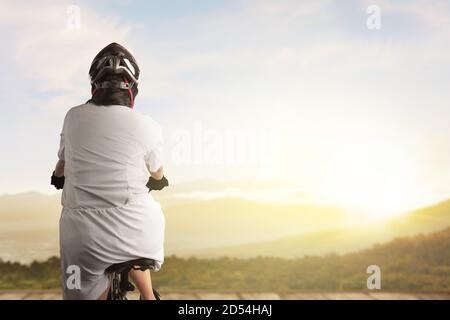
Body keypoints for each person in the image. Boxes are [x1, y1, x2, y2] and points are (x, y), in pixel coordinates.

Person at [51, 43, 168, 300]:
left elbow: (63, 163)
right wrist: (159, 181)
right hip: (138, 227)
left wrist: (58, 178)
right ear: (132, 89)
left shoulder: (73, 116)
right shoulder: (148, 125)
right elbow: (157, 172)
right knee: (136, 234)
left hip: (84, 235)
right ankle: (149, 297)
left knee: (84, 288)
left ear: (94, 86)